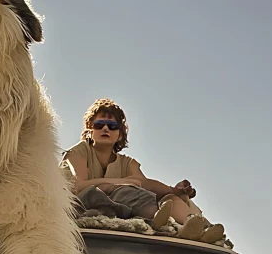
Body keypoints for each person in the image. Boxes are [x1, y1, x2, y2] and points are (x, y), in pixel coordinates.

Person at [61, 99, 224, 243]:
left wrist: (174, 190)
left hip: (122, 207)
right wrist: (117, 183)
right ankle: (161, 221)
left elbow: (144, 184)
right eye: (99, 125)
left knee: (169, 199)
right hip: (80, 204)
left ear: (119, 135)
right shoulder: (79, 152)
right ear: (90, 130)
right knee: (122, 190)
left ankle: (194, 228)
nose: (105, 129)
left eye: (112, 126)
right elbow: (78, 186)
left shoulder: (127, 163)